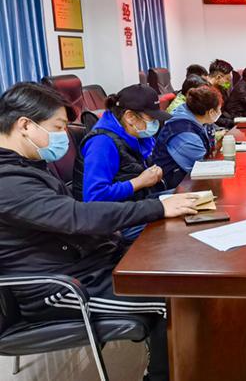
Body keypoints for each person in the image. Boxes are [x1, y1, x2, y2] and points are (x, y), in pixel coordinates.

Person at [0, 82, 199, 381]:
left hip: (87, 263)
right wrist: (158, 207)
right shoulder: (8, 182)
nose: (63, 136)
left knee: (173, 268)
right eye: (58, 127)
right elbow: (75, 215)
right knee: (175, 299)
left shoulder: (27, 164)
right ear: (25, 125)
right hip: (60, 288)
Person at [73, 85, 170, 240]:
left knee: (188, 200)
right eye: (151, 119)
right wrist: (139, 182)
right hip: (113, 223)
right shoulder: (102, 143)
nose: (155, 124)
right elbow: (94, 197)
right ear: (130, 116)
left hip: (133, 205)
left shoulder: (135, 135)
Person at [152, 86, 223, 189]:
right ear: (211, 112)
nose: (220, 112)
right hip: (174, 183)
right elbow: (201, 168)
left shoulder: (197, 117)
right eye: (219, 109)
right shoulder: (185, 133)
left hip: (186, 177)